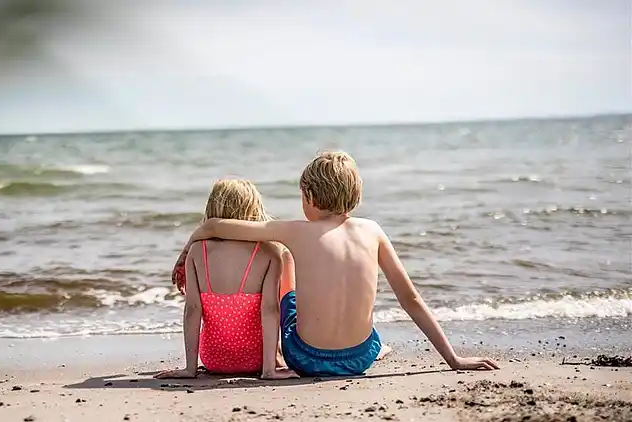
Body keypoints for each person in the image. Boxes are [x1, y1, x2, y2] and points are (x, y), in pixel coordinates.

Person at [178, 151, 500, 377]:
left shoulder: (294, 231)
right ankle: (380, 348)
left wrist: (187, 250)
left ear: (311, 198)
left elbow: (215, 226)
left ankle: (272, 358)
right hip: (360, 357)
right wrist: (454, 359)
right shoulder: (373, 231)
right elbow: (410, 299)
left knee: (288, 295)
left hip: (306, 358)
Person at [156, 179, 298, 380]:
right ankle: (271, 365)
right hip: (255, 359)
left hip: (214, 359)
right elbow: (270, 310)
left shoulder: (197, 252)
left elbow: (192, 310)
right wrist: (269, 369)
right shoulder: (269, 252)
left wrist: (190, 369)